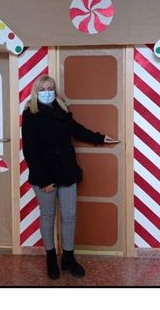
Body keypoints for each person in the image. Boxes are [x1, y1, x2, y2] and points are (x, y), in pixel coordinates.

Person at [22, 74, 118, 280]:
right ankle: (50, 258)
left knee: (70, 216)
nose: (47, 93)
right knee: (48, 216)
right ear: (36, 92)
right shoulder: (30, 114)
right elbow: (29, 150)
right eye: (43, 89)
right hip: (44, 176)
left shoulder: (62, 109)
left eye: (50, 89)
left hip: (67, 172)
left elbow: (77, 130)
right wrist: (44, 180)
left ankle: (68, 257)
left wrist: (100, 138)